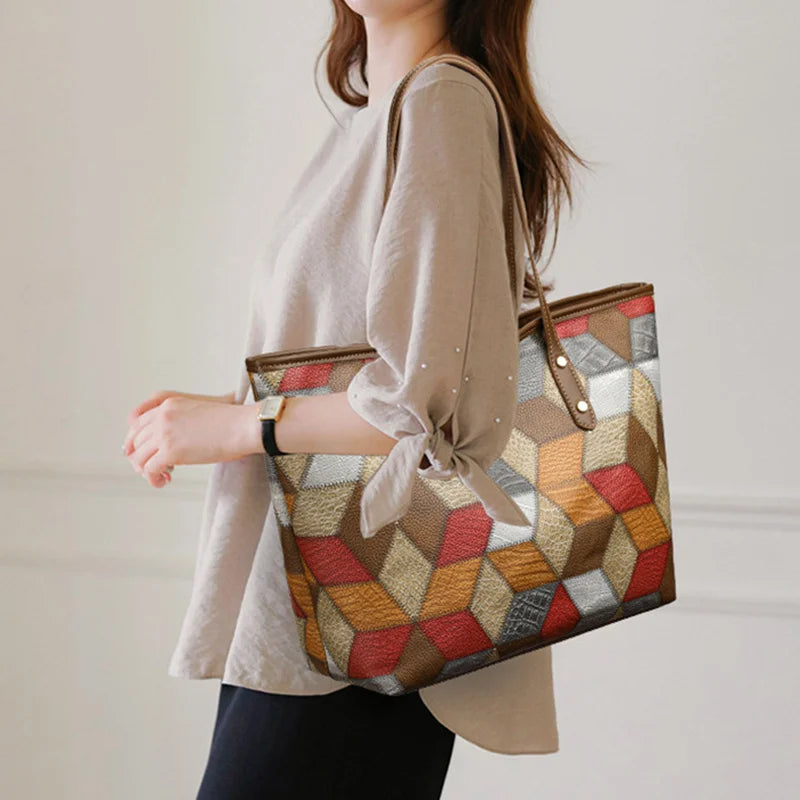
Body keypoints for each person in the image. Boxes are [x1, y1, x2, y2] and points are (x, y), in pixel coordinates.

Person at [122, 1, 582, 797]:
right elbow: (368, 370)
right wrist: (218, 415)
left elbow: (430, 416)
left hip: (367, 619)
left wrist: (236, 425)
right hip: (310, 607)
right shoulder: (374, 114)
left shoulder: (443, 102)